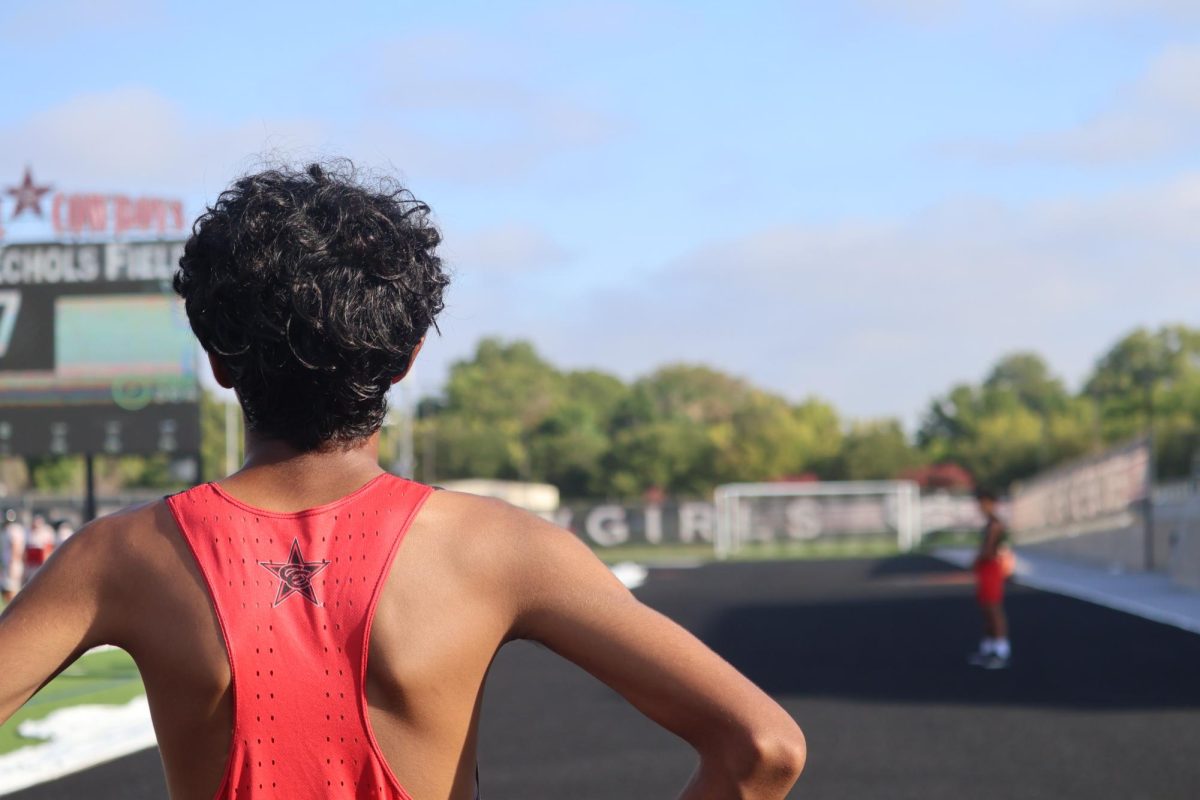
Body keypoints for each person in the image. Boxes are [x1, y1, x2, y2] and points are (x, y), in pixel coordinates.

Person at [0, 162, 805, 800]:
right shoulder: (502, 550)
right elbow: (763, 750)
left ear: (215, 357)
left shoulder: (119, 558)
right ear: (410, 354)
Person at [967, 488, 1011, 670]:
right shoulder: (989, 524)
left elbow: (988, 550)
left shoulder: (995, 524)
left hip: (992, 568)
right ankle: (988, 648)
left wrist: (976, 560)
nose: (980, 507)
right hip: (986, 568)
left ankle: (1001, 650)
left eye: (983, 502)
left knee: (994, 608)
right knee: (986, 608)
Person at [23, 514, 56, 585]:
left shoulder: (46, 533)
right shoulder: (28, 533)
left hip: (41, 563)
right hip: (31, 564)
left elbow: (48, 550)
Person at [1, 509, 24, 603]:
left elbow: (16, 547)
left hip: (12, 564)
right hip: (9, 563)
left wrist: (12, 563)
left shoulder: (13, 530)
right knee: (6, 591)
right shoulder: (7, 530)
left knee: (11, 590)